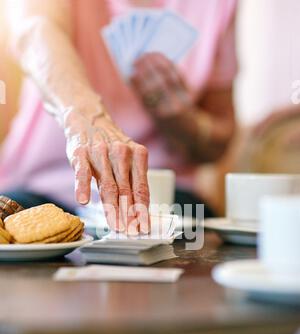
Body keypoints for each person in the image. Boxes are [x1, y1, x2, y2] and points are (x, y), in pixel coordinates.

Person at [0, 0, 237, 232]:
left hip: (162, 194)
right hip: (38, 186)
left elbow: (219, 141)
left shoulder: (218, 5)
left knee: (190, 233)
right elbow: (34, 30)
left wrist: (182, 121)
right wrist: (84, 118)